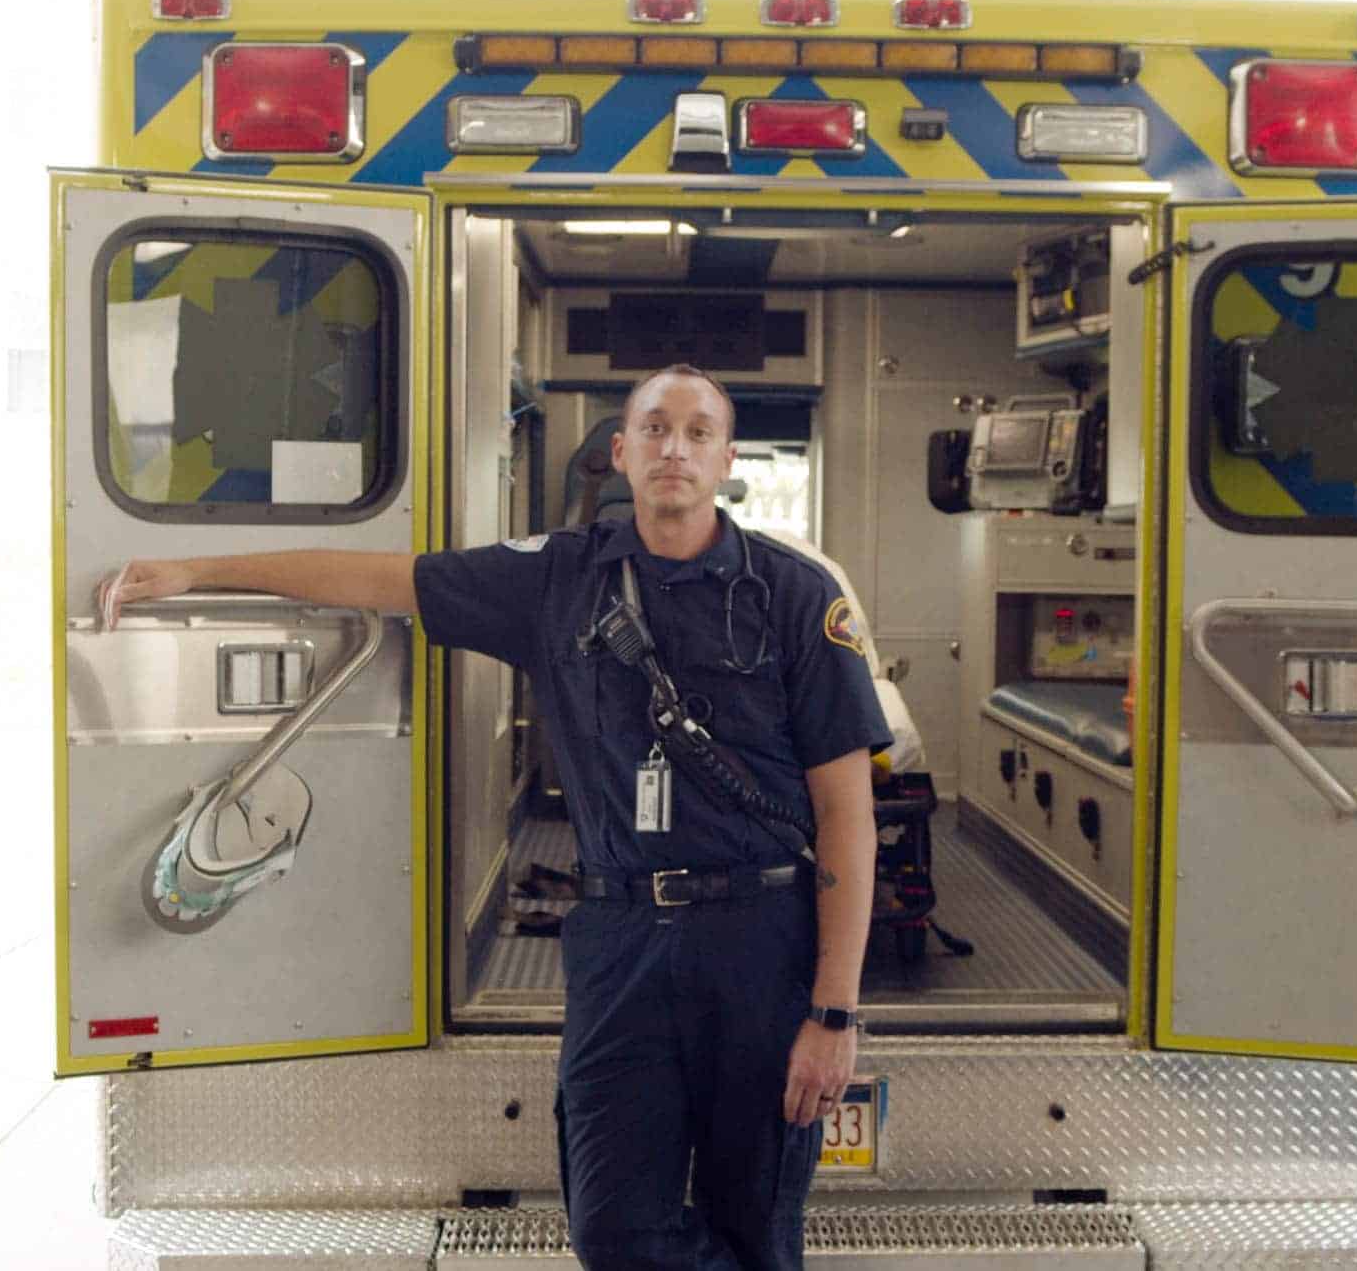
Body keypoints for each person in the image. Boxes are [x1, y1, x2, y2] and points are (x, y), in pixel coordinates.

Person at [100, 363, 891, 1269]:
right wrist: (196, 569)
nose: (677, 448)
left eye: (700, 432)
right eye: (658, 429)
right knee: (614, 1234)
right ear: (622, 452)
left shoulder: (793, 597)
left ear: (728, 459)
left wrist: (834, 1012)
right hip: (621, 941)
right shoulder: (558, 579)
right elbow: (378, 578)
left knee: (757, 1229)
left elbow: (846, 818)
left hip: (762, 942)